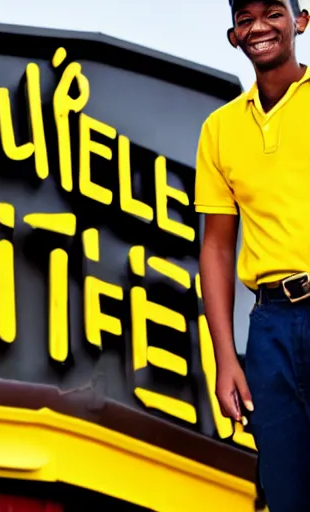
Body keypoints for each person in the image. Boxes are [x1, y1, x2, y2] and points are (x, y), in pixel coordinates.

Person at [195, 0, 310, 510]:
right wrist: (225, 358)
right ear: (233, 36)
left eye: (273, 13)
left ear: (301, 20)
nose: (259, 26)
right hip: (270, 329)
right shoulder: (220, 130)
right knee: (286, 491)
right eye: (246, 18)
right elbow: (217, 246)